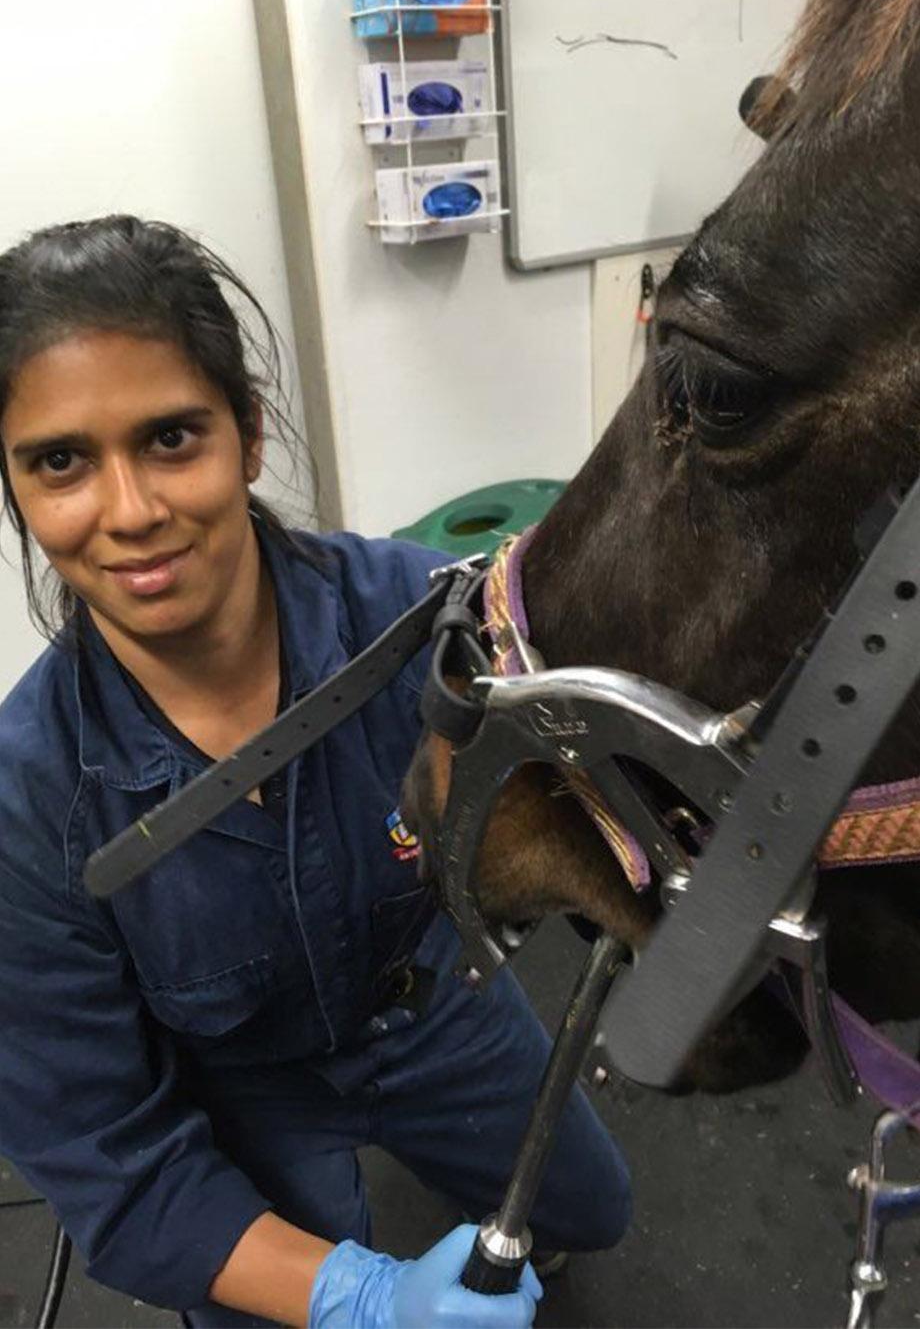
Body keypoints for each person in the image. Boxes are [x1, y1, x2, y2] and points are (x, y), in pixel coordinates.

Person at [0, 215, 631, 1328]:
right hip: (234, 1083)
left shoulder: (427, 619)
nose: (131, 512)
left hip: (428, 1009)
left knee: (591, 1210)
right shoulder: (28, 797)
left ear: (246, 434)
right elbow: (117, 1161)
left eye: (170, 439)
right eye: (61, 463)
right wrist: (357, 1296)